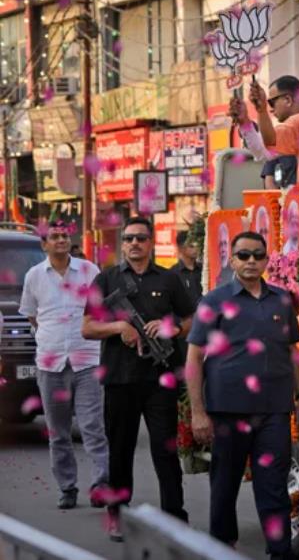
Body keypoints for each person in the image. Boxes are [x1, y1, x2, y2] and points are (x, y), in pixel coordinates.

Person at [185, 232, 299, 560]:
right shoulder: (214, 301)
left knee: (273, 486)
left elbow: (292, 350)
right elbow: (194, 358)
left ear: (267, 260)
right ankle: (222, 547)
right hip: (228, 411)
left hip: (274, 411)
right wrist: (198, 412)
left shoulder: (282, 300)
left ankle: (279, 551)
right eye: (243, 255)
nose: (251, 261)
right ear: (232, 260)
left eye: (257, 255)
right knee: (224, 485)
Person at [81, 216, 196, 540]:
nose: (134, 243)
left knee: (166, 451)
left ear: (150, 242)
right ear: (123, 243)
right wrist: (119, 328)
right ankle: (116, 513)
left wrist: (170, 327)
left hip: (160, 379)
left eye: (141, 238)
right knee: (120, 449)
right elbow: (87, 327)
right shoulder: (106, 280)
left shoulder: (169, 280)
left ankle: (175, 516)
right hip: (120, 378)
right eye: (129, 238)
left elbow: (190, 319)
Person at [19, 222, 109, 510]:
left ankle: (100, 485)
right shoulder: (34, 276)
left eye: (65, 236)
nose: (60, 241)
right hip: (51, 362)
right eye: (54, 237)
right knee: (58, 432)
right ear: (44, 245)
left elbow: (100, 310)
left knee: (93, 427)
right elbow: (32, 317)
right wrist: (51, 337)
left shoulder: (89, 271)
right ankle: (67, 488)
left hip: (87, 360)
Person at [238, 75, 299, 190]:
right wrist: (246, 122)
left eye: (271, 103)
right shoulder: (283, 132)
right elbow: (263, 152)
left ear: (288, 100)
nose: (271, 109)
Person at [171, 231, 203, 305]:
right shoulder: (173, 273)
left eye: (197, 246)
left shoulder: (203, 270)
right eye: (191, 246)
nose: (196, 249)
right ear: (181, 248)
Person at [215, 223, 235, 287]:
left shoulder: (235, 270)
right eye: (220, 244)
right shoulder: (216, 271)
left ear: (228, 246)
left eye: (225, 244)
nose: (223, 249)